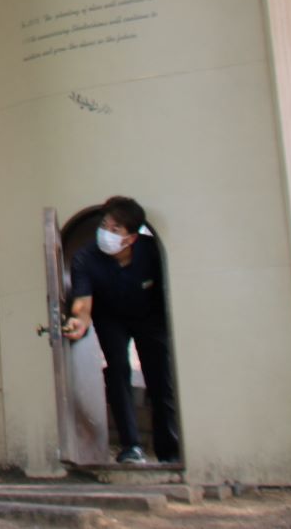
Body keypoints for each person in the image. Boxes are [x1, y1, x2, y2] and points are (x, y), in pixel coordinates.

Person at [63, 195, 180, 465]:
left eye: (115, 230)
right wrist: (77, 322)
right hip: (110, 317)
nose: (106, 233)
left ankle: (169, 450)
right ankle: (131, 447)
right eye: (105, 225)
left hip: (150, 318)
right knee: (117, 372)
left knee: (161, 379)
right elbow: (82, 305)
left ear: (130, 238)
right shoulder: (85, 258)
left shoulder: (151, 252)